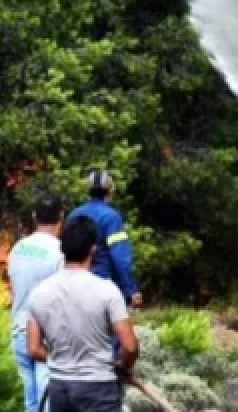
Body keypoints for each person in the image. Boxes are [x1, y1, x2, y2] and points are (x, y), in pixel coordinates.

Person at [27, 216, 139, 412]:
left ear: (62, 249)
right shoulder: (108, 291)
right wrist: (121, 366)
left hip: (59, 388)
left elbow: (34, 349)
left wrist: (59, 361)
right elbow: (130, 347)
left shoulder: (39, 293)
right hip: (99, 388)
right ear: (93, 250)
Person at [7, 195, 65, 412]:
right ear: (61, 217)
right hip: (44, 338)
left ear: (34, 217)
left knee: (31, 403)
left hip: (19, 332)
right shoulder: (60, 252)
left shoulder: (17, 249)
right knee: (47, 400)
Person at [65, 170, 141, 309]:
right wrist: (131, 290)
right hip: (104, 284)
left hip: (72, 286)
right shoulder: (111, 218)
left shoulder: (73, 215)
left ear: (87, 190)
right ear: (109, 190)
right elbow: (120, 257)